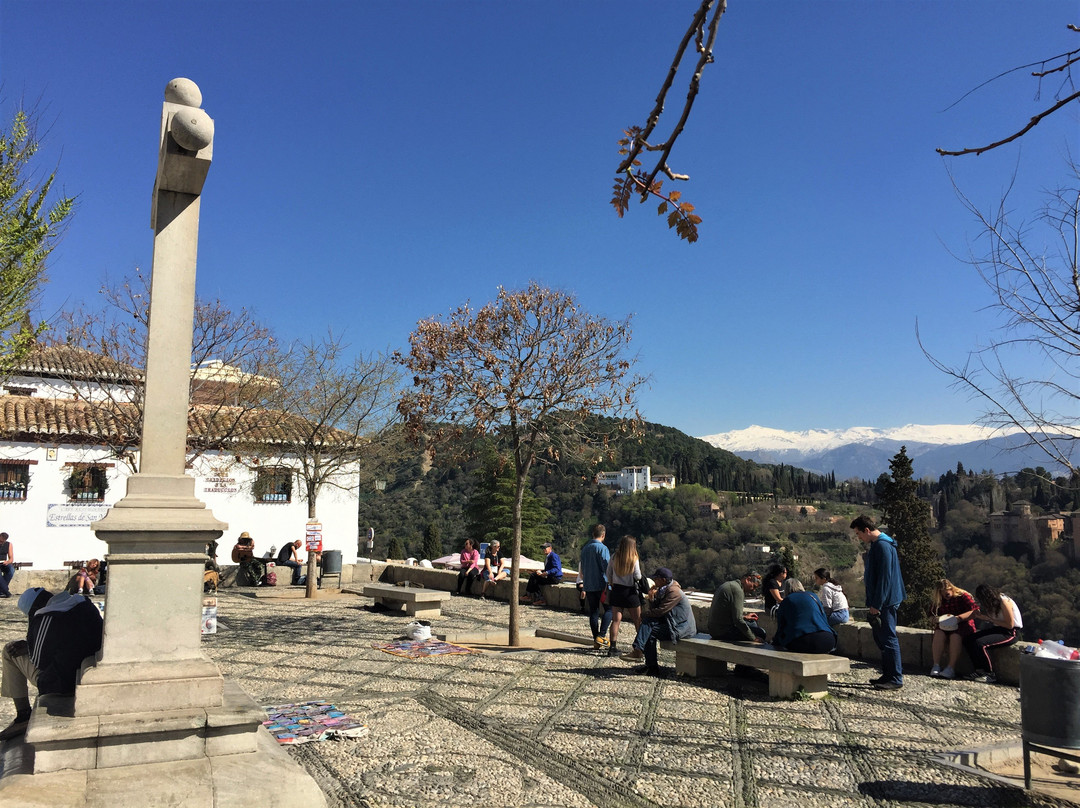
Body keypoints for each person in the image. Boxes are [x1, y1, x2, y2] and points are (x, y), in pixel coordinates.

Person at [0, 587, 103, 741]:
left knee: (9, 651)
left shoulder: (46, 616)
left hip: (61, 685)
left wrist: (28, 645)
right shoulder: (83, 603)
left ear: (33, 609)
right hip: (88, 671)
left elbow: (39, 662)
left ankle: (23, 715)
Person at [852, 515, 906, 691]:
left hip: (886, 601)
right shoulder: (880, 544)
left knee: (888, 638)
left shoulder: (882, 546)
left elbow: (885, 579)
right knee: (883, 637)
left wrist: (877, 603)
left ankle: (895, 677)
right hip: (885, 599)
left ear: (867, 530)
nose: (859, 538)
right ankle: (888, 674)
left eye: (859, 533)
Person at [619, 568, 697, 677]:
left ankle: (645, 658)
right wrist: (651, 598)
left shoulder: (674, 592)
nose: (654, 580)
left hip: (681, 628)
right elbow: (656, 610)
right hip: (671, 623)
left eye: (656, 578)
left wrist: (643, 615)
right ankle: (646, 660)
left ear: (663, 580)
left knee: (649, 631)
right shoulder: (663, 589)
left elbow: (661, 611)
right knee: (648, 627)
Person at [964, 584, 1022, 684]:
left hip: (1010, 632)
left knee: (980, 643)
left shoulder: (1004, 601)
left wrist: (989, 619)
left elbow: (1010, 624)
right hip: (997, 629)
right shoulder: (991, 603)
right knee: (968, 640)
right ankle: (979, 670)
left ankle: (989, 673)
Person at [928, 578, 978, 679]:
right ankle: (936, 664)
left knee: (955, 636)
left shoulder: (963, 596)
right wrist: (936, 620)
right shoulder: (938, 600)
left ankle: (951, 667)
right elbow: (931, 615)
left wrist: (958, 618)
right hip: (945, 624)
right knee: (938, 634)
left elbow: (975, 611)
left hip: (963, 623)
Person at [606, 535, 643, 655]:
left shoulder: (614, 557)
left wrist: (612, 582)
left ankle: (612, 647)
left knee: (616, 620)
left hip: (617, 590)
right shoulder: (634, 558)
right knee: (637, 620)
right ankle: (640, 647)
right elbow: (638, 576)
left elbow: (608, 573)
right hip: (630, 592)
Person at [708, 571, 766, 643]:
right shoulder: (737, 590)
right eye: (754, 586)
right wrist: (753, 638)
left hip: (714, 629)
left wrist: (744, 617)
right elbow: (738, 620)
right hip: (722, 632)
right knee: (761, 633)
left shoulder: (731, 585)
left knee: (751, 623)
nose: (753, 590)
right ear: (748, 579)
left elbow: (729, 614)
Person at [579, 524, 612, 650]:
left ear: (593, 534)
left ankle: (595, 640)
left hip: (589, 584)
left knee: (593, 612)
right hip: (602, 584)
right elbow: (607, 568)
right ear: (603, 535)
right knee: (609, 609)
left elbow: (582, 569)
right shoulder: (602, 549)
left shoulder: (585, 548)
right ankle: (602, 635)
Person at [772, 590, 836, 653]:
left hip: (802, 640)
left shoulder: (788, 599)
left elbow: (781, 626)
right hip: (828, 640)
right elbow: (823, 617)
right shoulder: (812, 596)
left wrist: (775, 642)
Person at [0, 533, 13, 599]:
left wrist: (7, 562)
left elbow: (11, 559)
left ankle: (1, 590)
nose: (1, 543)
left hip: (3, 562)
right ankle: (6, 591)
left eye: (2, 541)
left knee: (11, 570)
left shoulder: (9, 544)